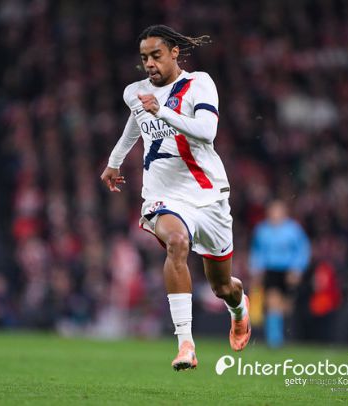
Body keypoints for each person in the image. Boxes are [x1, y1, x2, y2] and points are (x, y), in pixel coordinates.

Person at [100, 25, 251, 371]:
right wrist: (114, 161)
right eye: (144, 58)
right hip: (163, 195)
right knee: (177, 242)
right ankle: (186, 344)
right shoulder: (135, 93)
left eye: (156, 55)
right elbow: (135, 124)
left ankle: (238, 307)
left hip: (208, 196)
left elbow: (207, 132)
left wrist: (162, 111)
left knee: (222, 286)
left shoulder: (200, 84)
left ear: (174, 53)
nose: (149, 64)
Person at [249, 200, 311, 348]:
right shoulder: (262, 230)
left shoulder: (293, 229)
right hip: (271, 270)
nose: (275, 214)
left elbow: (303, 250)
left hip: (288, 271)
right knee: (272, 301)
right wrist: (256, 269)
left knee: (287, 306)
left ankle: (288, 336)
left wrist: (297, 269)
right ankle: (274, 339)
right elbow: (257, 251)